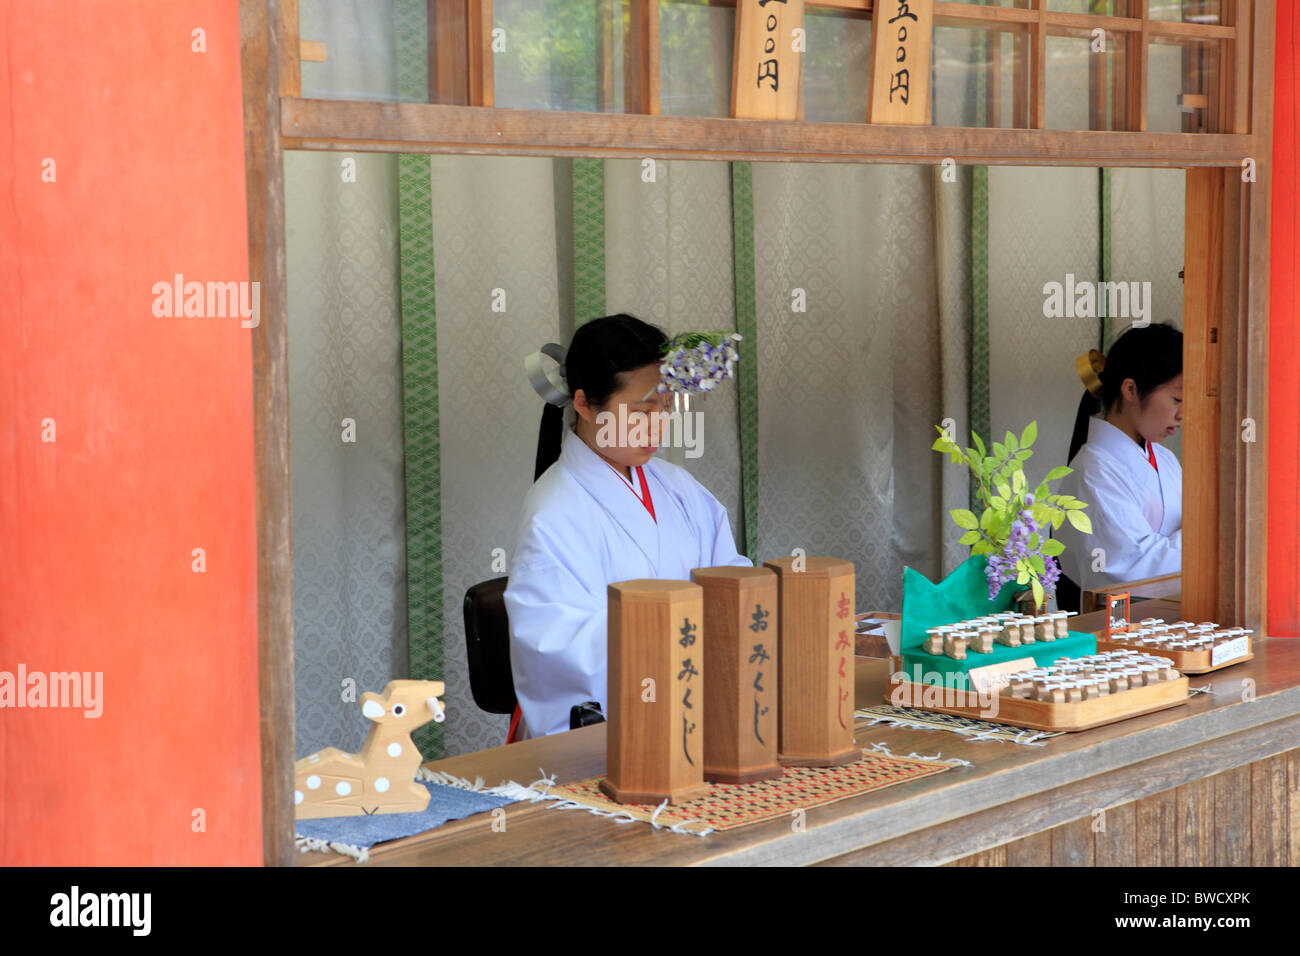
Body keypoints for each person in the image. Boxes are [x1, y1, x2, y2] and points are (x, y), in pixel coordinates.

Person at [503, 314, 752, 741]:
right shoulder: (553, 512)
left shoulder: (679, 489)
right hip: (608, 731)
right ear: (584, 404)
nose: (657, 426)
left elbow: (733, 579)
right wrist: (675, 638)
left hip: (696, 708)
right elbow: (555, 649)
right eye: (640, 411)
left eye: (666, 408)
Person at [1054, 322, 1183, 609]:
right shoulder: (1093, 472)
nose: (1182, 413)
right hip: (1119, 632)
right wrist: (1205, 537)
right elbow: (1131, 567)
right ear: (1131, 389)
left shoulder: (1166, 460)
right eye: (1177, 399)